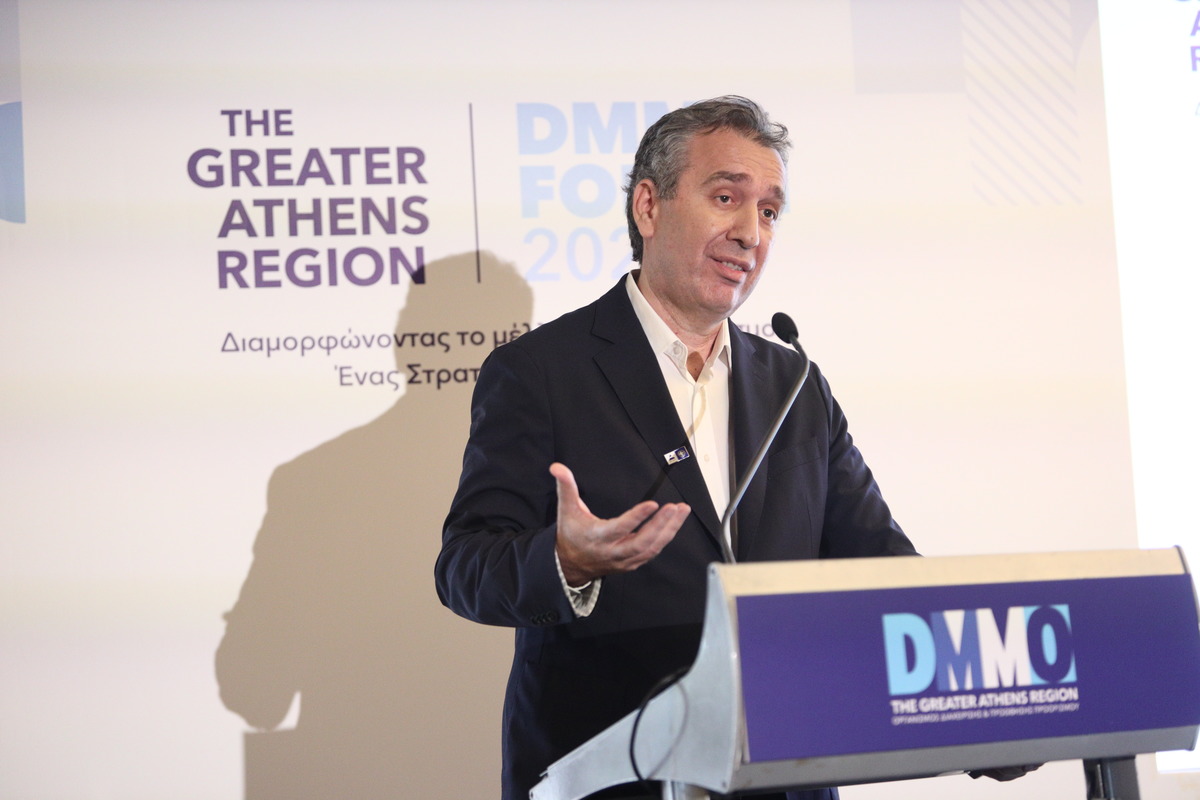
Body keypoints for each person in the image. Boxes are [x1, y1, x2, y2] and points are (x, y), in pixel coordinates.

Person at [435, 96, 918, 800]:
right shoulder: (542, 372)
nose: (750, 232)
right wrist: (566, 561)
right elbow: (465, 566)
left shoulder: (795, 383)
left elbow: (880, 564)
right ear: (648, 207)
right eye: (726, 198)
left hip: (784, 770)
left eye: (770, 211)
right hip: (613, 773)